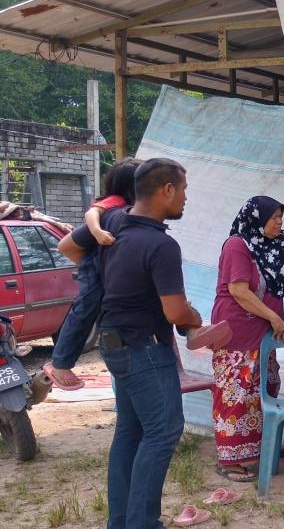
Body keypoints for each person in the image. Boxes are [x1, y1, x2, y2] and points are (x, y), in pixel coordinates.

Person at [57, 157, 204, 529]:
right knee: (163, 432)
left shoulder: (112, 222)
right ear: (167, 190)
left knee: (131, 432)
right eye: (183, 190)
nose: (186, 198)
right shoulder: (160, 245)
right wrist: (194, 317)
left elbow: (70, 243)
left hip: (113, 342)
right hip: (145, 349)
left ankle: (121, 522)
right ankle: (142, 523)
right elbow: (174, 312)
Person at [210, 196, 284, 483]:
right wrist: (273, 316)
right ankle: (230, 460)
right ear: (256, 219)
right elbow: (239, 291)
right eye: (273, 217)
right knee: (237, 392)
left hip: (267, 330)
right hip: (237, 332)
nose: (279, 222)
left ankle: (262, 448)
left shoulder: (281, 244)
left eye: (281, 217)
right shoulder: (237, 245)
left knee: (266, 388)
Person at [45, 158, 142, 391]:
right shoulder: (115, 204)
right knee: (84, 310)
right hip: (95, 266)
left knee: (91, 311)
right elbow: (92, 213)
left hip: (102, 269)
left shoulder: (129, 211)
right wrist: (98, 233)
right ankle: (60, 363)